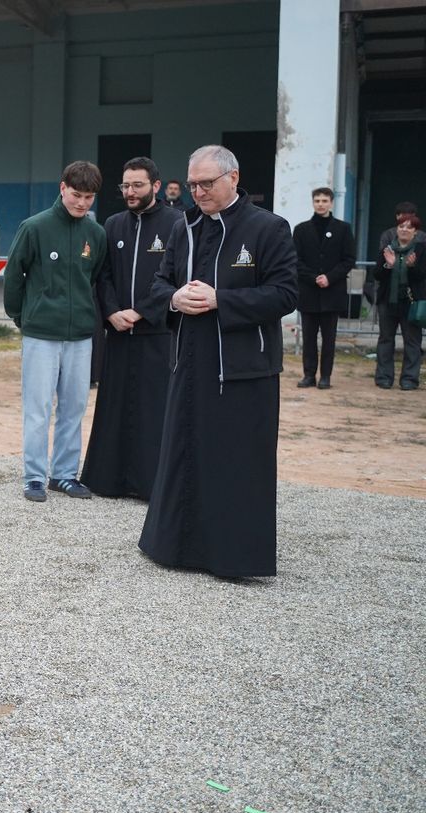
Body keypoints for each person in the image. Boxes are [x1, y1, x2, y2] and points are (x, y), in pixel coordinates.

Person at [136, 145, 298, 579]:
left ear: (234, 177)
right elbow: (157, 284)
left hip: (244, 369)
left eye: (206, 183)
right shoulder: (183, 228)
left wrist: (220, 300)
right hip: (189, 363)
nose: (198, 192)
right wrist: (174, 298)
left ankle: (233, 556)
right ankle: (176, 546)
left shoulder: (269, 228)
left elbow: (285, 294)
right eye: (192, 184)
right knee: (186, 452)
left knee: (235, 462)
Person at [3, 161, 107, 503]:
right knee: (38, 408)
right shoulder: (34, 227)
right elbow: (14, 275)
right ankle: (34, 476)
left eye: (89, 197)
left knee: (74, 407)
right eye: (76, 195)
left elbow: (92, 280)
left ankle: (64, 475)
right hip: (40, 334)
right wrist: (22, 316)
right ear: (62, 188)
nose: (82, 203)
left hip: (80, 335)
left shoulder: (96, 234)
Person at [80, 157, 181, 499]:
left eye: (137, 185)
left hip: (157, 334)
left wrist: (141, 312)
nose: (130, 192)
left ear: (155, 186)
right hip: (119, 333)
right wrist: (111, 312)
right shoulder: (113, 224)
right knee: (114, 408)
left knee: (154, 411)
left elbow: (175, 279)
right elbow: (102, 275)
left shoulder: (177, 224)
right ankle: (108, 479)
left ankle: (151, 485)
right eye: (125, 185)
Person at [292, 186, 357, 389]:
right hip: (309, 292)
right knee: (309, 338)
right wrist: (313, 278)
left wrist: (330, 277)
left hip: (332, 292)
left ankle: (325, 376)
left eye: (324, 201)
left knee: (329, 339)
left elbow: (349, 259)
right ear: (313, 203)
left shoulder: (343, 228)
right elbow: (295, 259)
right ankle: (309, 375)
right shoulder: (301, 229)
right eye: (317, 201)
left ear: (331, 203)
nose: (321, 204)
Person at [369, 214, 425, 390]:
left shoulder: (421, 250)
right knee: (386, 339)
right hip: (388, 301)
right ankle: (384, 377)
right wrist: (389, 265)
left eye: (409, 227)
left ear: (415, 231)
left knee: (412, 342)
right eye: (401, 226)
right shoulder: (388, 249)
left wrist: (412, 267)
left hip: (411, 302)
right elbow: (377, 274)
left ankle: (409, 379)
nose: (404, 230)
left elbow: (422, 276)